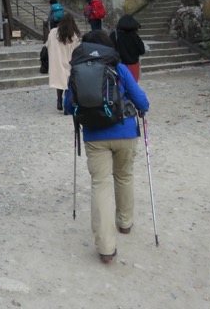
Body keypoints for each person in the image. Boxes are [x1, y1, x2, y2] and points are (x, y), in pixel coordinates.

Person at [64, 29, 150, 264]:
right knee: (124, 177)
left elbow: (67, 105)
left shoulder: (77, 70)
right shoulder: (119, 67)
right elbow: (142, 101)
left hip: (93, 135)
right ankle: (125, 223)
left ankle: (105, 247)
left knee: (100, 184)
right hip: (124, 131)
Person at [45, 12, 81, 112]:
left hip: (56, 61)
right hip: (69, 61)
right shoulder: (73, 36)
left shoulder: (53, 32)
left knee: (59, 83)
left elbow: (47, 45)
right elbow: (77, 50)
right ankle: (67, 103)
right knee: (68, 83)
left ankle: (59, 100)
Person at [110, 14, 147, 82]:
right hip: (133, 66)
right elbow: (142, 51)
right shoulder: (135, 37)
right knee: (132, 87)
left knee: (120, 87)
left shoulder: (114, 35)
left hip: (119, 65)